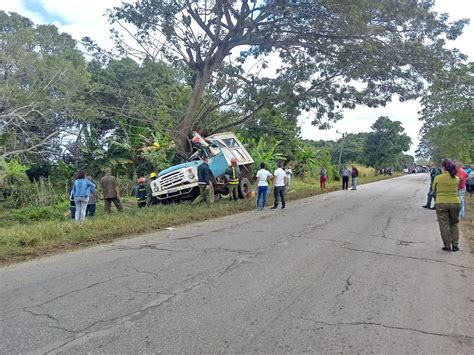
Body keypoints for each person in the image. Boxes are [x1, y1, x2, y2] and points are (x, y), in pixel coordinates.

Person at [433, 159, 461, 251]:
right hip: (455, 202)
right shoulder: (456, 178)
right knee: (454, 223)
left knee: (444, 224)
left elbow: (433, 190)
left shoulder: (438, 178)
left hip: (441, 203)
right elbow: (457, 189)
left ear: (444, 167)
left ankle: (447, 245)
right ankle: (455, 245)